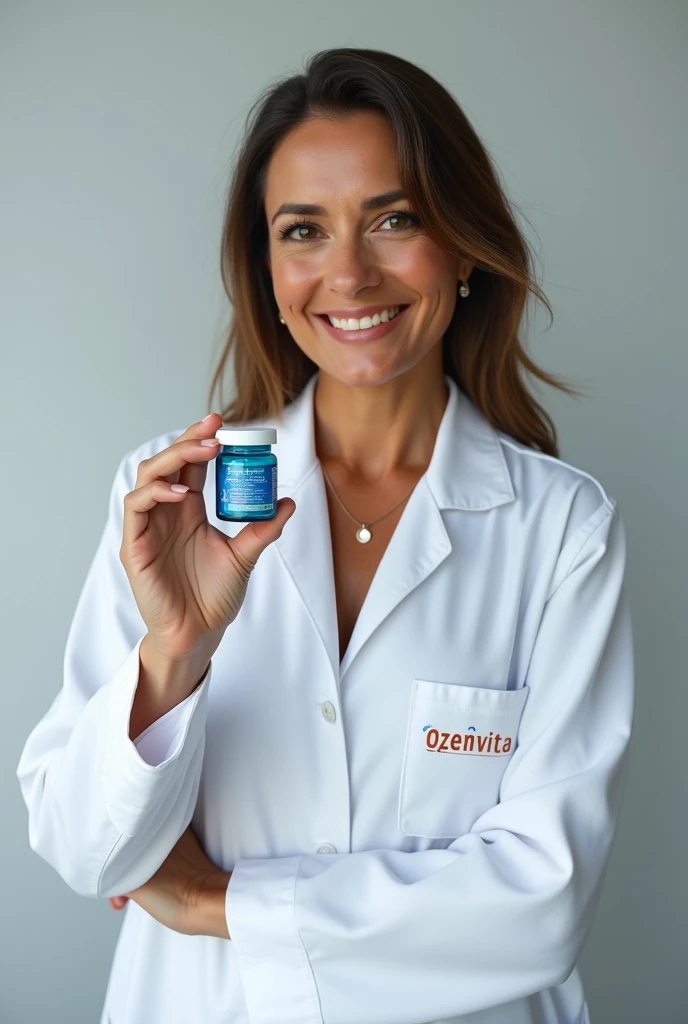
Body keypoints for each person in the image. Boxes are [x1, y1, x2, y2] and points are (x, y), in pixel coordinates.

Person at [16, 46, 634, 1024]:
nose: (347, 273)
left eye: (394, 219)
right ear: (266, 269)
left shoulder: (560, 528)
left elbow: (543, 902)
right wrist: (176, 651)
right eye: (303, 230)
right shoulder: (177, 497)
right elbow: (83, 843)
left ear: (463, 245)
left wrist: (224, 904)